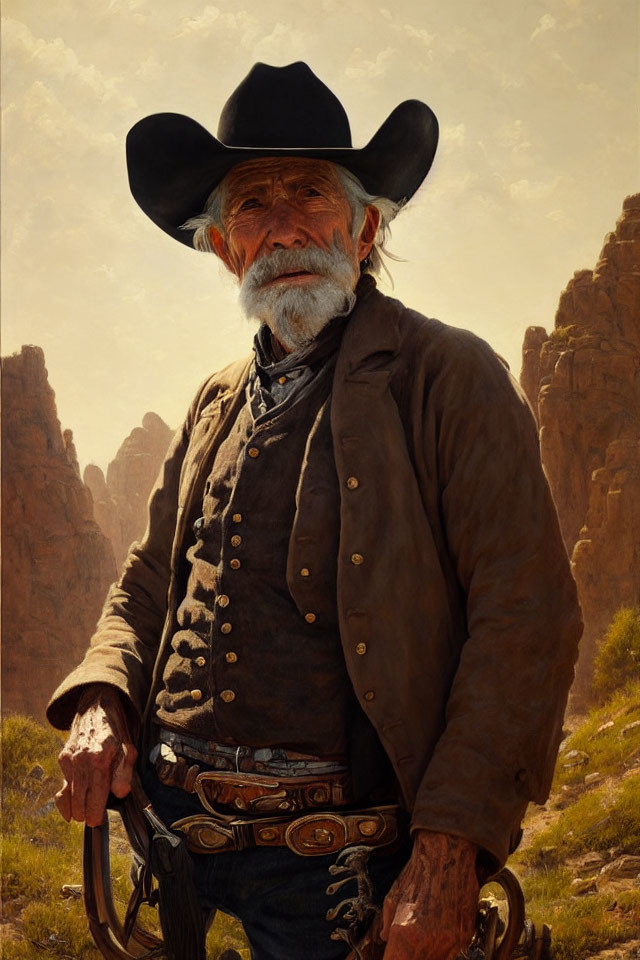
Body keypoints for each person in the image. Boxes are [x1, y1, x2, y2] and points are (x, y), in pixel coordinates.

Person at [47, 62, 582, 960]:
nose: (285, 225)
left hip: (341, 881)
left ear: (365, 227)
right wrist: (102, 700)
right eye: (252, 204)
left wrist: (450, 854)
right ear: (223, 246)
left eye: (310, 193)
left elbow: (525, 617)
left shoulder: (445, 377)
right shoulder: (214, 400)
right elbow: (145, 582)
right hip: (166, 854)